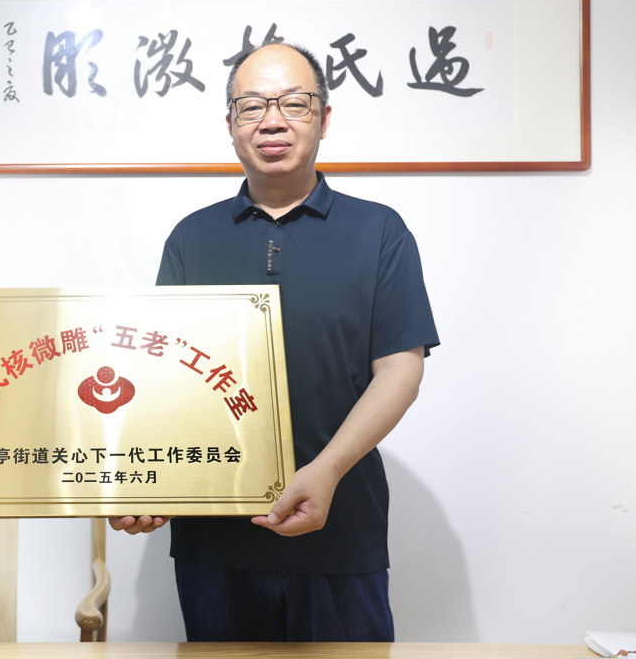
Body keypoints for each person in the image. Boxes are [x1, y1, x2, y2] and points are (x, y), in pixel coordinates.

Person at [111, 41, 439, 642]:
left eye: (294, 103)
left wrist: (327, 471)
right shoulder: (191, 237)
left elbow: (400, 369)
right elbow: (165, 381)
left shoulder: (379, 231)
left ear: (324, 118)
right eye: (252, 105)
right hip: (214, 539)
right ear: (230, 124)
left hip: (341, 527)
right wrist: (146, 481)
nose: (272, 120)